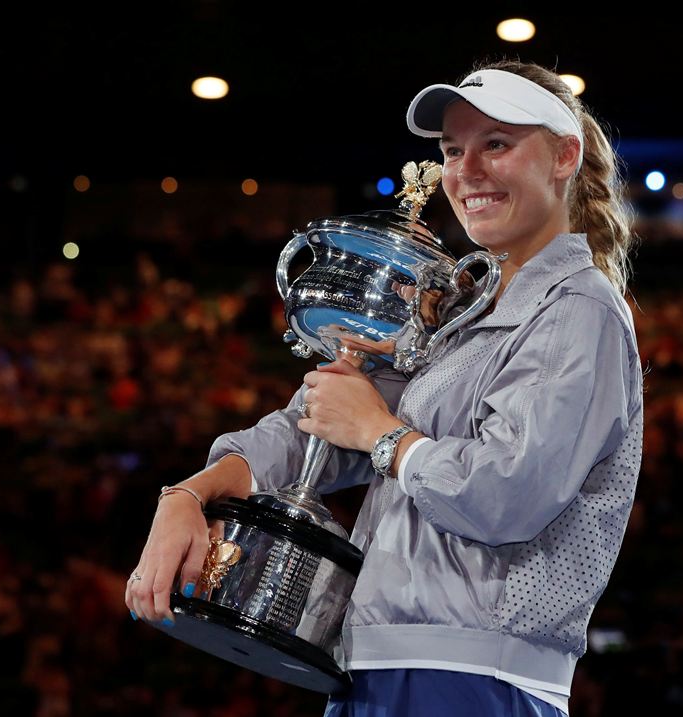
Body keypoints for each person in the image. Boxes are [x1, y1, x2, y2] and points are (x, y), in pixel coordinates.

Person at [125, 59, 643, 717]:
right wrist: (190, 492)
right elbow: (323, 422)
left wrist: (382, 434)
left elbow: (509, 493)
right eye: (454, 149)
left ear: (564, 155)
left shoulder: (579, 308)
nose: (467, 170)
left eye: (497, 144)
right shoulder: (460, 310)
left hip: (475, 680)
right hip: (372, 665)